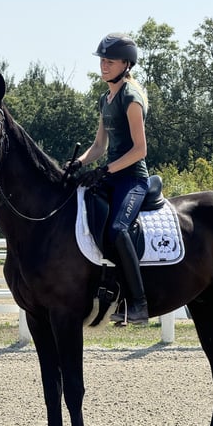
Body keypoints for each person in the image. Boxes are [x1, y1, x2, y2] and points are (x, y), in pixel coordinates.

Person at [65, 33, 150, 325]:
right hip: (113, 176)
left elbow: (140, 150)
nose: (103, 65)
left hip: (133, 180)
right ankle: (106, 285)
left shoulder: (130, 96)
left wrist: (107, 170)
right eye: (102, 60)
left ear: (126, 64)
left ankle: (138, 303)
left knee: (117, 228)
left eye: (109, 61)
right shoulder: (106, 98)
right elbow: (99, 146)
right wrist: (79, 162)